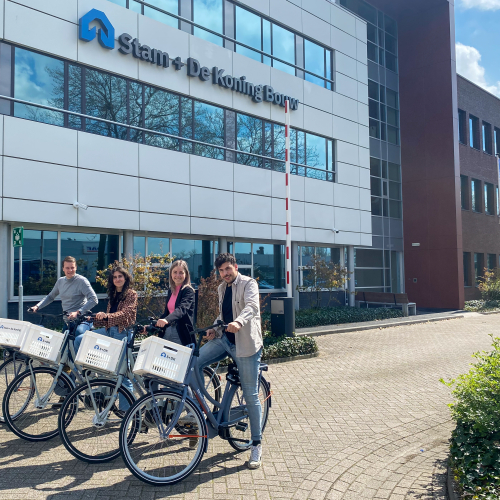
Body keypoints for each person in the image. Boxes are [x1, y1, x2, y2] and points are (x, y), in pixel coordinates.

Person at [198, 252, 264, 469]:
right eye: (221, 270)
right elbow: (222, 315)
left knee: (251, 394)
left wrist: (239, 322)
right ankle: (201, 412)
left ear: (235, 267)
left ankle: (256, 444)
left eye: (228, 268)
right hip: (225, 340)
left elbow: (251, 307)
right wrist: (214, 328)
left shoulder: (248, 283)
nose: (225, 273)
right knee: (195, 362)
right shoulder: (221, 288)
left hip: (246, 345)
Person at [80, 265, 138, 410]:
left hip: (122, 333)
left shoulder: (131, 294)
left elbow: (125, 314)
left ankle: (126, 412)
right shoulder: (113, 294)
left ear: (125, 278)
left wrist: (106, 316)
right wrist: (93, 319)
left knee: (122, 373)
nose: (117, 279)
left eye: (120, 276)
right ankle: (92, 372)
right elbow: (107, 319)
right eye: (115, 277)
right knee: (81, 339)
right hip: (109, 331)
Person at [31, 256, 98, 337]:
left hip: (82, 320)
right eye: (67, 268)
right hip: (68, 321)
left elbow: (94, 299)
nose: (70, 270)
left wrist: (78, 312)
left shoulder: (82, 281)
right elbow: (50, 297)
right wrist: (37, 306)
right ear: (63, 269)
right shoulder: (60, 281)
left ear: (76, 268)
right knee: (61, 342)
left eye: (72, 268)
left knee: (78, 334)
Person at [155, 259, 195, 346]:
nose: (178, 275)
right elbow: (167, 313)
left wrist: (167, 320)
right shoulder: (171, 291)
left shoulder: (188, 291)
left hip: (181, 333)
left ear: (186, 274)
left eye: (181, 272)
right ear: (171, 274)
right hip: (168, 329)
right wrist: (154, 324)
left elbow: (182, 309)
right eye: (175, 272)